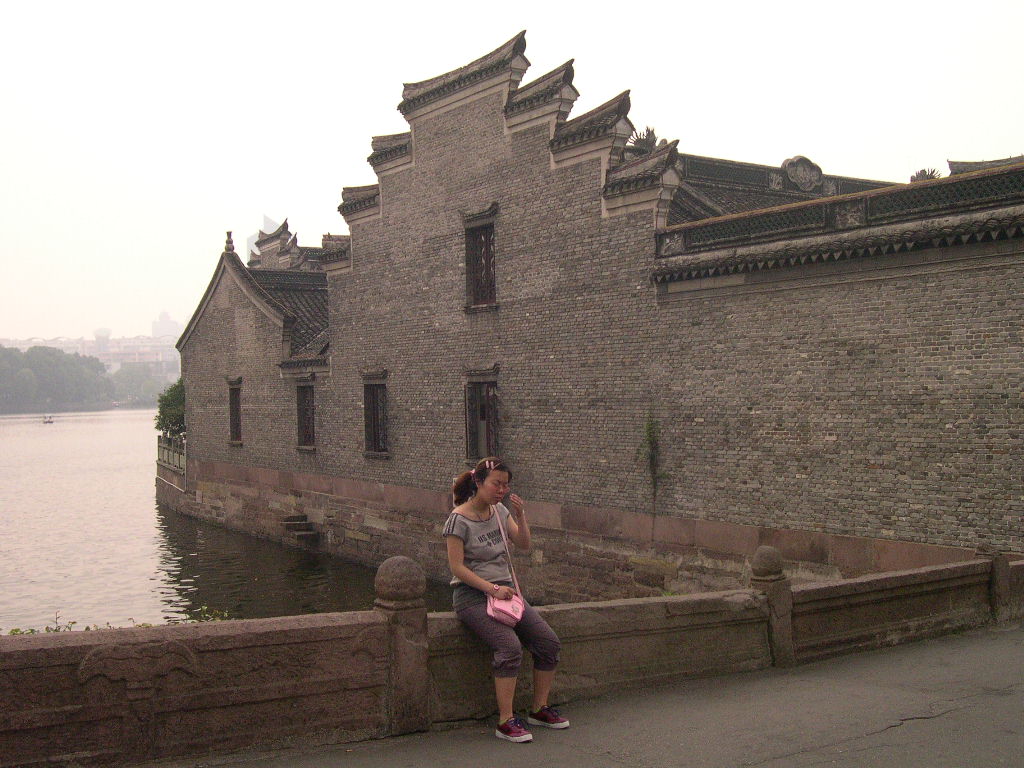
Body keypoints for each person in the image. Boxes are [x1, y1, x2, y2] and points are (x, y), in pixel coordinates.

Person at [443, 456, 569, 743]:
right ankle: (505, 721)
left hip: (507, 594)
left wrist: (520, 516)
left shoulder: (499, 511)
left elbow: (523, 544)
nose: (501, 490)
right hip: (473, 596)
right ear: (478, 482)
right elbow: (457, 568)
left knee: (548, 643)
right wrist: (491, 588)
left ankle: (539, 709)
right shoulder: (458, 520)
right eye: (496, 484)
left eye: (505, 485)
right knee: (509, 647)